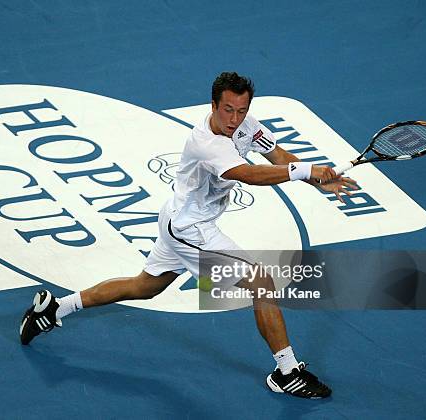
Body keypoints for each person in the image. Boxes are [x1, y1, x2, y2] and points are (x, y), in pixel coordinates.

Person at [19, 72, 356, 399]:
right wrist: (305, 171)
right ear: (213, 105)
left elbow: (276, 155)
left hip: (176, 217)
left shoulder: (246, 125)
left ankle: (54, 309)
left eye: (241, 110)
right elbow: (249, 174)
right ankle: (287, 372)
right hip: (191, 231)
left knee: (144, 287)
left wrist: (318, 179)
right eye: (227, 109)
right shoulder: (206, 142)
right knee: (261, 282)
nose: (234, 118)